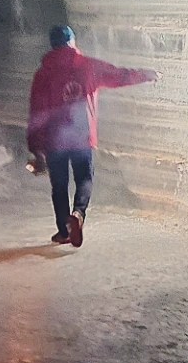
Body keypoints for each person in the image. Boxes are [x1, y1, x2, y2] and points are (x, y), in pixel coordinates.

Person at [27, 24, 158, 246]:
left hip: (55, 139)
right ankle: (78, 213)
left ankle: (64, 231)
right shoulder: (88, 66)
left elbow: (37, 111)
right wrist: (145, 75)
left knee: (59, 186)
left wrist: (35, 147)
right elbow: (119, 75)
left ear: (52, 45)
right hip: (82, 136)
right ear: (72, 42)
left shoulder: (43, 74)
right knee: (85, 179)